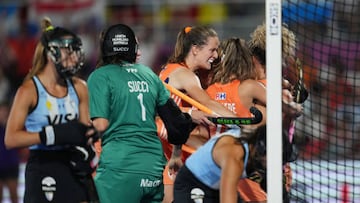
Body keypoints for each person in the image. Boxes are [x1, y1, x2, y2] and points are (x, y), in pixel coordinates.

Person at [87, 23, 195, 203]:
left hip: (119, 167)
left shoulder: (99, 76)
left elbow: (99, 125)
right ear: (133, 48)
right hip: (153, 168)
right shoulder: (148, 75)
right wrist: (192, 116)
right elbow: (178, 128)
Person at [4, 17, 99, 203]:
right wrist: (47, 135)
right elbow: (11, 138)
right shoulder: (29, 90)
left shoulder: (80, 87)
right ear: (51, 53)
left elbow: (84, 130)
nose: (74, 58)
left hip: (72, 166)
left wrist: (91, 139)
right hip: (42, 167)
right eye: (68, 52)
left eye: (75, 52)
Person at [156, 25, 237, 203]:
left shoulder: (169, 69)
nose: (215, 56)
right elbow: (208, 104)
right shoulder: (186, 75)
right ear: (195, 49)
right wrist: (242, 122)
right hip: (169, 145)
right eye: (212, 50)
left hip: (164, 145)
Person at [173, 124, 267, 203]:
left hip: (215, 186)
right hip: (193, 183)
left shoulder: (256, 144)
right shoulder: (234, 156)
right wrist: (176, 154)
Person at [0, 102, 19, 203]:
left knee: (14, 195)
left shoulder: (14, 125)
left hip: (11, 164)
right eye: (1, 111)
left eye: (5, 111)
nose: (3, 113)